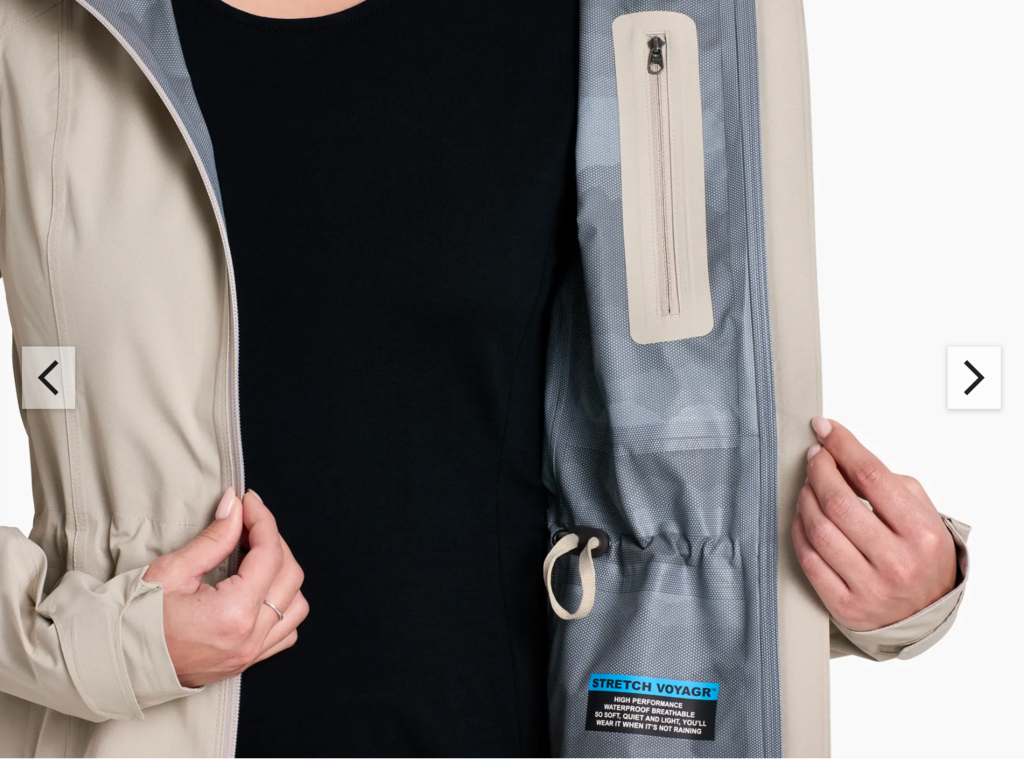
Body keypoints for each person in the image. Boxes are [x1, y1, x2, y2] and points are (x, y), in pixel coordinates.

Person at [0, 0, 969, 757]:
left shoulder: (625, 26)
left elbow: (672, 518)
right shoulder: (39, 31)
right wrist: (104, 645)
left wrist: (894, 590)